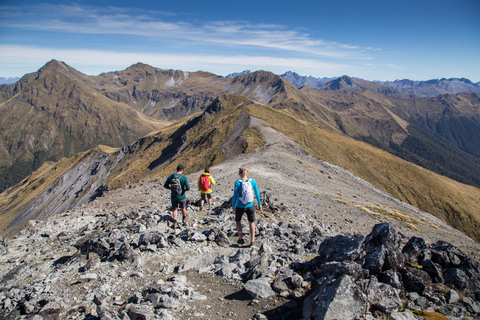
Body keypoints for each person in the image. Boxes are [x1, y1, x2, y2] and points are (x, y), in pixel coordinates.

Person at [232, 167, 262, 246]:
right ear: (247, 173)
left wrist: (233, 207)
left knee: (238, 221)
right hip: (250, 205)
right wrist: (259, 204)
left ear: (239, 174)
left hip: (240, 206)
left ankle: (241, 239)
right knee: (251, 222)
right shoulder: (252, 181)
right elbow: (257, 193)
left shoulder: (237, 182)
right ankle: (252, 241)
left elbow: (235, 195)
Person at [163, 164, 190, 228]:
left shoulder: (171, 177)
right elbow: (188, 188)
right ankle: (184, 219)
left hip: (173, 196)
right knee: (183, 207)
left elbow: (165, 185)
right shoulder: (184, 178)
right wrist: (184, 190)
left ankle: (174, 221)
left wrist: (171, 189)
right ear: (182, 170)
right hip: (181, 196)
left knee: (175, 209)